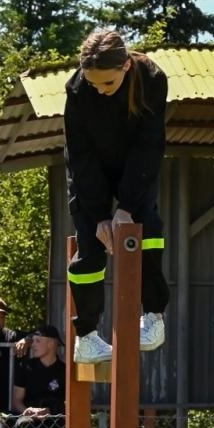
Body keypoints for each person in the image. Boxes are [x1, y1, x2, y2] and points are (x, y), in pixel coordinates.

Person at [63, 28, 169, 363]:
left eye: (106, 84)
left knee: (147, 228)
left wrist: (126, 207)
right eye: (93, 84)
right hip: (90, 172)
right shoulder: (78, 89)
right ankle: (87, 337)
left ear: (124, 67)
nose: (100, 91)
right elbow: (79, 156)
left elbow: (149, 146)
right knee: (90, 248)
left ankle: (153, 316)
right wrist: (98, 216)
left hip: (134, 168)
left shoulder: (152, 79)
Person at [10, 325, 65, 428]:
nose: (33, 345)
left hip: (55, 419)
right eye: (32, 341)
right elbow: (16, 400)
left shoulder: (64, 371)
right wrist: (28, 411)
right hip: (29, 419)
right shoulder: (26, 367)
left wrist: (51, 410)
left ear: (51, 343)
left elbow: (71, 403)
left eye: (37, 341)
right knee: (23, 427)